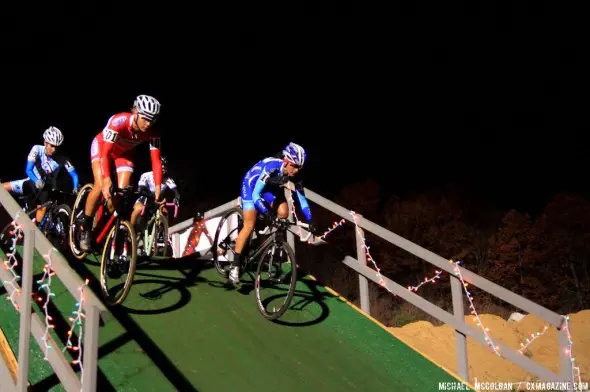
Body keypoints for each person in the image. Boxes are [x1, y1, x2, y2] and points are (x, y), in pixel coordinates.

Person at [77, 94, 163, 251]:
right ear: (135, 112)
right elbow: (105, 153)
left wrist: (157, 188)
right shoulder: (119, 121)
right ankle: (86, 225)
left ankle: (102, 227)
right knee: (101, 183)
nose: (148, 123)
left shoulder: (153, 133)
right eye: (145, 118)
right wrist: (107, 179)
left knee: (121, 196)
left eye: (152, 120)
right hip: (103, 148)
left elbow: (156, 161)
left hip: (123, 154)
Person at [230, 142, 316, 284]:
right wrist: (266, 213)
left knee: (283, 212)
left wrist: (310, 219)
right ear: (286, 161)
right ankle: (235, 266)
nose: (296, 171)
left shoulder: (295, 174)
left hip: (270, 186)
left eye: (299, 167)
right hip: (251, 185)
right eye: (295, 166)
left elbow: (302, 200)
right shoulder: (272, 167)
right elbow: (256, 195)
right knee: (249, 225)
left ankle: (262, 230)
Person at [2, 126, 79, 224]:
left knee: (38, 223)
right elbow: (28, 169)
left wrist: (75, 187)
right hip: (31, 181)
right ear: (45, 142)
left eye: (56, 147)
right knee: (3, 188)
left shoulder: (62, 159)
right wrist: (36, 180)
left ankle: (31, 231)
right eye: (51, 145)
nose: (54, 149)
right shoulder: (37, 149)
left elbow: (74, 175)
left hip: (44, 189)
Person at [130, 155, 180, 227]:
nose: (163, 169)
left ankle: (163, 233)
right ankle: (129, 232)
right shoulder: (146, 175)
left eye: (164, 167)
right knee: (138, 209)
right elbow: (141, 190)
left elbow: (175, 192)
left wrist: (175, 198)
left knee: (165, 212)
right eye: (161, 167)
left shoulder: (167, 179)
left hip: (158, 201)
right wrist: (153, 197)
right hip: (145, 199)